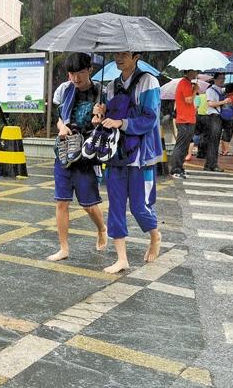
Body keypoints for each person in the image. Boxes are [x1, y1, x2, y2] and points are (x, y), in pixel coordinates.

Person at [94, 51, 162, 274]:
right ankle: (121, 259)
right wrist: (101, 112)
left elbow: (150, 118)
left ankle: (154, 235)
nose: (119, 58)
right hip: (115, 153)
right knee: (115, 206)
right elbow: (108, 117)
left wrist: (121, 122)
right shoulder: (111, 85)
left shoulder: (148, 81)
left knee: (139, 207)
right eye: (116, 53)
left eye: (124, 54)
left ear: (136, 56)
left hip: (141, 156)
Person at [47, 53, 107, 262]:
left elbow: (106, 124)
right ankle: (64, 248)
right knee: (61, 202)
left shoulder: (102, 92)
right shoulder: (64, 90)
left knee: (89, 204)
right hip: (64, 151)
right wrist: (62, 126)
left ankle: (101, 229)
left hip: (86, 155)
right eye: (72, 73)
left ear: (89, 70)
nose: (75, 78)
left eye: (80, 73)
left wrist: (100, 116)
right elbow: (58, 118)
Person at [170, 70, 199, 178]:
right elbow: (188, 100)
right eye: (195, 71)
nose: (197, 72)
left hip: (188, 119)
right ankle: (175, 169)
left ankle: (180, 168)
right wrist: (195, 90)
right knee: (181, 145)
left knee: (185, 145)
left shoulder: (187, 83)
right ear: (190, 71)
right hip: (184, 119)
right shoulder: (184, 83)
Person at [204, 73, 231, 172]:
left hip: (218, 117)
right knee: (213, 142)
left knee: (215, 141)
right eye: (220, 78)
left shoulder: (220, 90)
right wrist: (224, 102)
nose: (222, 80)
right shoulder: (211, 90)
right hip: (213, 117)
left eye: (223, 78)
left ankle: (210, 164)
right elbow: (210, 103)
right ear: (214, 79)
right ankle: (211, 165)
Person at [220, 82, 233, 156]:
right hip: (230, 118)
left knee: (224, 133)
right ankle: (226, 150)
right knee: (228, 133)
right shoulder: (232, 97)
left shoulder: (223, 96)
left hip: (222, 116)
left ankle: (223, 150)